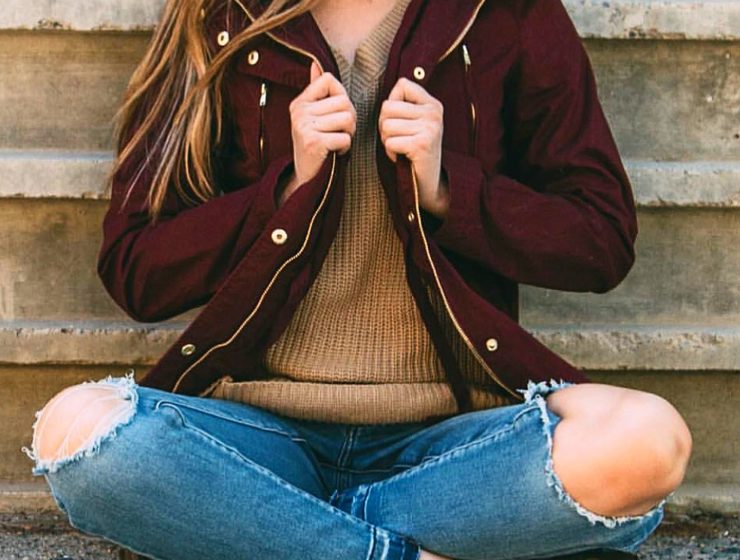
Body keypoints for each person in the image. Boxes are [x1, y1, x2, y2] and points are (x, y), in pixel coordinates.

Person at [22, 1, 692, 559]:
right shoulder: (220, 16)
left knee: (648, 442)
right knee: (76, 432)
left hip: (454, 448)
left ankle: (270, 532)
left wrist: (449, 189)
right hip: (259, 437)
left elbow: (600, 241)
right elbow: (136, 271)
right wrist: (286, 189)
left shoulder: (504, 13)